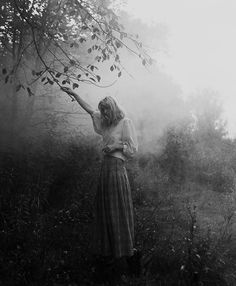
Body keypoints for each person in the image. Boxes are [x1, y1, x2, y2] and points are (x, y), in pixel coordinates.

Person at [61, 87, 138, 280]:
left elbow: (133, 149)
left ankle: (126, 257)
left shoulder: (124, 122)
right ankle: (109, 258)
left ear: (113, 108)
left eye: (106, 111)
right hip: (105, 170)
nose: (103, 114)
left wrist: (116, 145)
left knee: (118, 210)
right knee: (105, 212)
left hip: (117, 170)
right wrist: (75, 94)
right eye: (102, 111)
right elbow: (89, 109)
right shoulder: (105, 123)